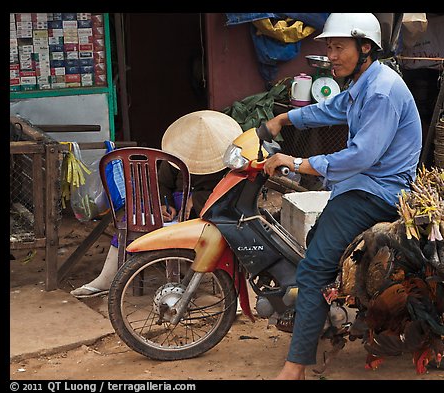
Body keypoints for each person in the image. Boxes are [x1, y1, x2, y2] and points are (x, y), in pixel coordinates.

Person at [261, 13, 422, 379]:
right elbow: (332, 108)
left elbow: (362, 155)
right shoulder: (363, 83)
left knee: (314, 268)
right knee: (318, 243)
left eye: (338, 47)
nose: (331, 55)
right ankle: (331, 318)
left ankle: (295, 367)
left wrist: (297, 162)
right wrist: (283, 121)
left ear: (365, 48)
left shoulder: (381, 91)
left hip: (378, 191)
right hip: (359, 186)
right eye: (328, 47)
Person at [70, 110, 242, 298]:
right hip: (176, 207)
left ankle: (232, 291)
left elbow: (233, 192)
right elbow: (162, 184)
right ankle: (106, 278)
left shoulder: (229, 160)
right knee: (132, 217)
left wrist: (197, 199)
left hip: (210, 210)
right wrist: (163, 204)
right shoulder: (177, 155)